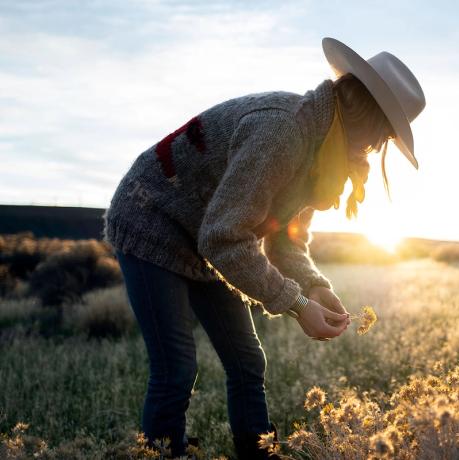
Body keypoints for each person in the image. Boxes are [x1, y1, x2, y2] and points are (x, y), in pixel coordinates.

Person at [103, 37, 425, 459]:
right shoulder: (283, 130)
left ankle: (258, 454)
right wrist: (294, 304)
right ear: (365, 116)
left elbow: (284, 239)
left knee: (247, 362)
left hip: (208, 237)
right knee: (177, 370)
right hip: (152, 219)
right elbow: (223, 238)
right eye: (379, 137)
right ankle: (164, 454)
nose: (371, 150)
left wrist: (314, 287)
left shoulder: (323, 152)